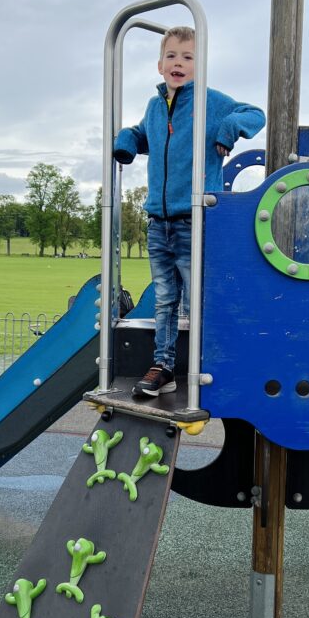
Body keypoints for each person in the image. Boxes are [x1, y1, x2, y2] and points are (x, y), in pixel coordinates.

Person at [113, 26, 265, 397]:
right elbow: (146, 134)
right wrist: (126, 141)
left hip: (192, 220)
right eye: (172, 56)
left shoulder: (209, 103)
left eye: (188, 57)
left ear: (200, 65)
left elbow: (254, 114)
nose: (179, 63)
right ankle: (163, 367)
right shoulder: (154, 106)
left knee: (197, 296)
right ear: (160, 64)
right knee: (165, 297)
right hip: (157, 221)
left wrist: (228, 130)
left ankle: (210, 364)